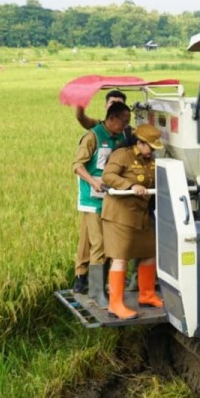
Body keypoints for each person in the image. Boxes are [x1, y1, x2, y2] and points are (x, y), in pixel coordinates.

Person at [72, 90, 134, 293]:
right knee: (97, 243)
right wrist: (93, 182)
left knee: (109, 243)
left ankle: (100, 285)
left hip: (112, 198)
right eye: (123, 122)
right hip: (92, 198)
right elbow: (77, 165)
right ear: (112, 117)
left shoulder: (121, 136)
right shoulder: (93, 134)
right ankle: (93, 288)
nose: (125, 126)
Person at [100, 124, 164, 320]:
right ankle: (115, 305)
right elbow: (107, 176)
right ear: (140, 143)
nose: (152, 151)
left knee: (149, 253)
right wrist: (130, 185)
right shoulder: (123, 155)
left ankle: (147, 295)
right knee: (121, 258)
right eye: (150, 147)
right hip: (120, 215)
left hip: (140, 215)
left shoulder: (151, 161)